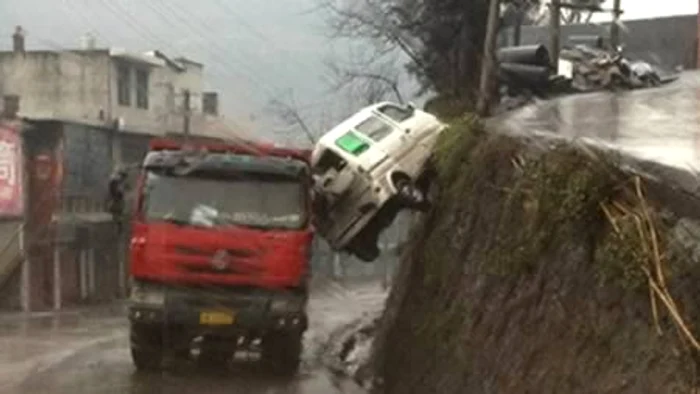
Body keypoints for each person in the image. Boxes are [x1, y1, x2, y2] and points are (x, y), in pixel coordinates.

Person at [106, 168, 128, 232]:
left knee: (117, 214)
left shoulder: (117, 182)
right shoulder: (115, 181)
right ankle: (118, 227)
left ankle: (118, 227)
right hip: (115, 200)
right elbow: (114, 191)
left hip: (116, 201)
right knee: (117, 214)